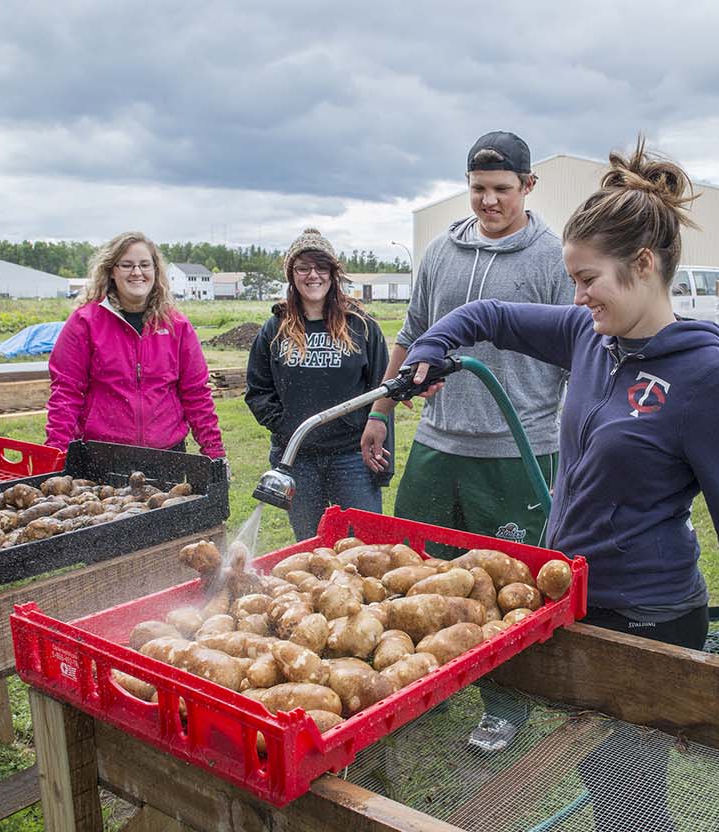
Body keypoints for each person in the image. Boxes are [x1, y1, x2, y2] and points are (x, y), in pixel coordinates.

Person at [403, 138, 719, 832]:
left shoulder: (708, 379)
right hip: (578, 595)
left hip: (650, 613)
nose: (577, 296)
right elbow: (484, 313)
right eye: (573, 281)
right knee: (614, 789)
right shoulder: (589, 335)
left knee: (626, 793)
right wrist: (433, 346)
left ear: (644, 266)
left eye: (588, 280)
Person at [361, 132, 574, 749]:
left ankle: (506, 705)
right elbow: (411, 336)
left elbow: (576, 360)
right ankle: (419, 680)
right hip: (437, 442)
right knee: (416, 569)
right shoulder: (440, 253)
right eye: (478, 189)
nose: (488, 201)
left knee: (508, 587)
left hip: (519, 449)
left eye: (502, 190)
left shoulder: (551, 259)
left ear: (528, 188)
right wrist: (382, 410)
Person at [245, 229, 389, 541]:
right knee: (311, 546)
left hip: (352, 456)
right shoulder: (275, 329)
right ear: (291, 275)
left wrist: (382, 457)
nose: (313, 275)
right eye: (303, 268)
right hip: (298, 459)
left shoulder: (362, 327)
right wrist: (287, 427)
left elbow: (383, 390)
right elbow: (257, 389)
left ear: (333, 274)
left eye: (321, 267)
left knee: (366, 545)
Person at [45, 231, 225, 460]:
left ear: (155, 271)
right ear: (112, 271)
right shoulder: (85, 323)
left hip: (166, 455)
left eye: (144, 265)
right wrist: (55, 454)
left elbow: (196, 394)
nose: (137, 272)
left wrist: (214, 452)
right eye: (127, 265)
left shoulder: (176, 326)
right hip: (101, 455)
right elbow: (66, 394)